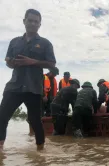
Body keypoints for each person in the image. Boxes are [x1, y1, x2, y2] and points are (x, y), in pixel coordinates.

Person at [0, 9, 56, 151]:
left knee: (35, 121)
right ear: (24, 21)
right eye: (30, 20)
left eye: (36, 21)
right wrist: (10, 62)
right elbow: (9, 62)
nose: (32, 23)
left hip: (34, 87)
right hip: (14, 86)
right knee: (2, 117)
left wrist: (33, 62)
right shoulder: (14, 42)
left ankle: (40, 152)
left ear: (39, 24)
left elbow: (51, 64)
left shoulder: (45, 43)